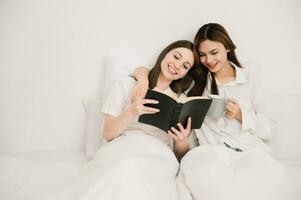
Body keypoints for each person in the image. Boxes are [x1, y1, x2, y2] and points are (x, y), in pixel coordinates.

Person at [132, 23, 294, 200]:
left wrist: (242, 115)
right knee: (211, 184)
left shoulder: (249, 79)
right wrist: (142, 81)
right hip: (209, 154)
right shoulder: (196, 82)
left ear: (228, 47)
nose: (208, 60)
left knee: (260, 184)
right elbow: (148, 69)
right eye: (202, 55)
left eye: (214, 52)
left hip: (248, 150)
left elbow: (268, 129)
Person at [42, 40, 197, 200]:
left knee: (142, 176)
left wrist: (181, 141)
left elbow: (181, 156)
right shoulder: (126, 84)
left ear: (186, 73)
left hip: (158, 154)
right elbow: (108, 134)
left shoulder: (181, 102)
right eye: (176, 57)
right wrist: (131, 111)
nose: (177, 66)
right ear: (165, 54)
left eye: (185, 66)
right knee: (125, 167)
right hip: (124, 146)